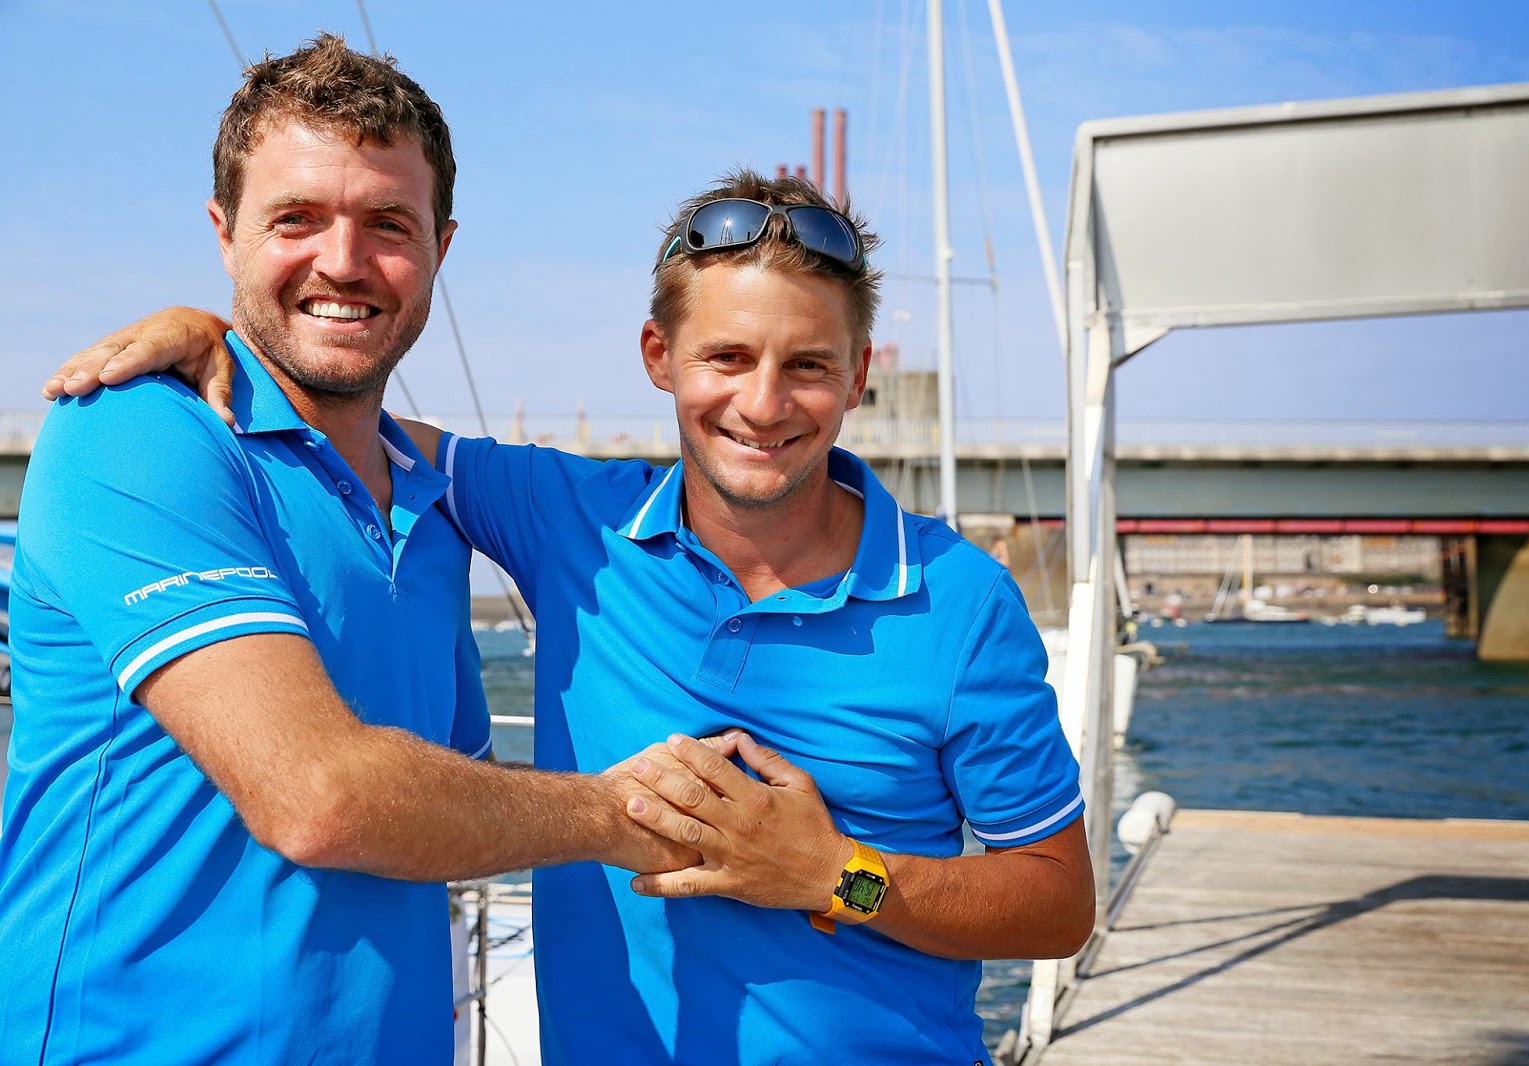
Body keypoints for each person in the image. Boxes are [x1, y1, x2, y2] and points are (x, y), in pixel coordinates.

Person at [52, 170, 1096, 1064]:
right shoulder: (568, 519)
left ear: (859, 374)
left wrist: (839, 875)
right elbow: (341, 417)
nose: (765, 403)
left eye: (809, 366)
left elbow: (1056, 903)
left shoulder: (959, 598)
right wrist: (216, 340)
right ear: (660, 356)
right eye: (727, 358)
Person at [0, 34, 718, 1065]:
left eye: (387, 223)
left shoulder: (434, 514)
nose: (343, 261)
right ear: (224, 232)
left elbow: (442, 803)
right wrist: (621, 810)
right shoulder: (133, 434)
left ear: (441, 246)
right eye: (295, 219)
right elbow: (320, 797)